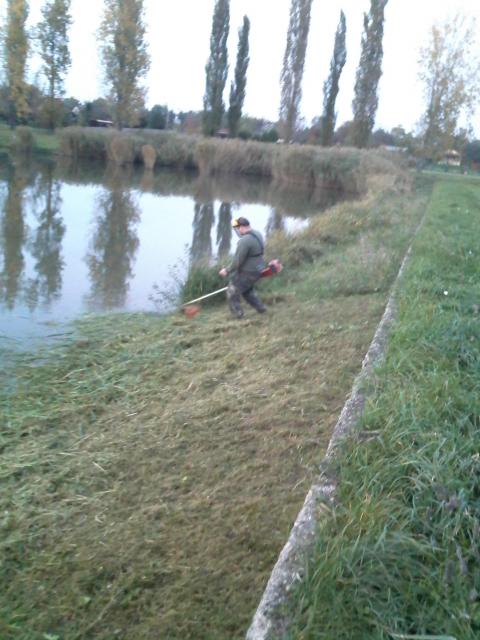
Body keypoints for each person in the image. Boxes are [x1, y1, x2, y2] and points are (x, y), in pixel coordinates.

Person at [219, 216, 267, 318]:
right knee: (247, 290)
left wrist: (227, 270)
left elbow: (237, 261)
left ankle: (238, 314)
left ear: (241, 227)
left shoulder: (245, 240)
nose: (237, 231)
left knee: (232, 291)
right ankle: (261, 308)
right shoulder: (258, 234)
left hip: (249, 272)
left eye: (237, 228)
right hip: (259, 269)